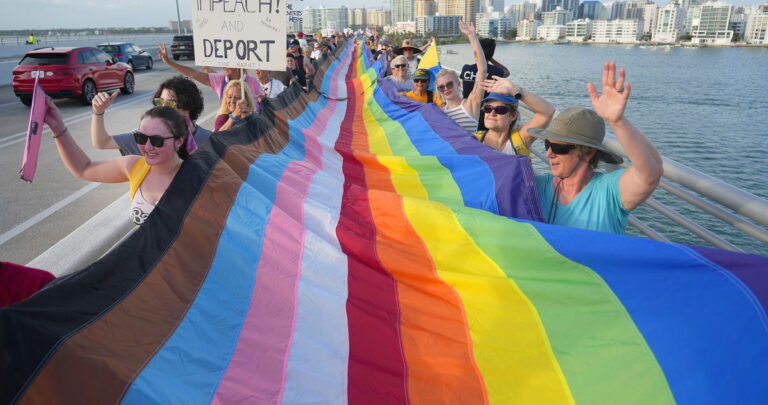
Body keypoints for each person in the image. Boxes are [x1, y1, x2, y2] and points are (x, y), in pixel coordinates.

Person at [528, 62, 663, 234]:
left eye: (558, 148)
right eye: (547, 144)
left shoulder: (609, 192)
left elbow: (650, 174)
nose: (549, 153)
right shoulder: (535, 187)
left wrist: (617, 122)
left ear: (588, 152)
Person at [45, 99, 189, 226]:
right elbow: (83, 168)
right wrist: (57, 128)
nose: (148, 147)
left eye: (157, 140)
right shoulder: (134, 166)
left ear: (179, 141)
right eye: (141, 138)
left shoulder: (195, 176)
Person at [91, 76, 211, 156]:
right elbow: (102, 143)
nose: (162, 107)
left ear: (188, 105)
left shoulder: (209, 140)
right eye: (160, 101)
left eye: (170, 102)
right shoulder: (146, 138)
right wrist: (98, 112)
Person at [477, 77, 555, 156]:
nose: (492, 113)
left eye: (500, 110)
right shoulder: (474, 140)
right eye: (488, 108)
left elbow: (547, 112)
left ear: (513, 116)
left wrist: (515, 90)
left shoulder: (520, 140)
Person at [157, 43, 262, 101]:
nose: (223, 65)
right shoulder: (220, 80)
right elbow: (193, 73)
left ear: (239, 65)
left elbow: (264, 107)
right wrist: (169, 62)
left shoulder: (253, 83)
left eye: (228, 63)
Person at [435, 21, 486, 134]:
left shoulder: (470, 105)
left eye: (449, 84)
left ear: (458, 84)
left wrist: (472, 36)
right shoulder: (438, 112)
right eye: (441, 87)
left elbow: (482, 71)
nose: (446, 89)